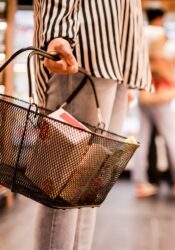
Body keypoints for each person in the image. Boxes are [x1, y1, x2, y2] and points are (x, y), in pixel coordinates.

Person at [33, 1, 151, 249]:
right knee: (62, 191)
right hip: (82, 49)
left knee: (88, 189)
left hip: (116, 54)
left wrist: (127, 71)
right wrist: (58, 33)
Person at [133, 7, 175, 198]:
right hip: (160, 94)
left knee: (143, 138)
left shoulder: (140, 33)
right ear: (161, 19)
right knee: (171, 138)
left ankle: (140, 182)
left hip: (144, 92)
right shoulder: (161, 35)